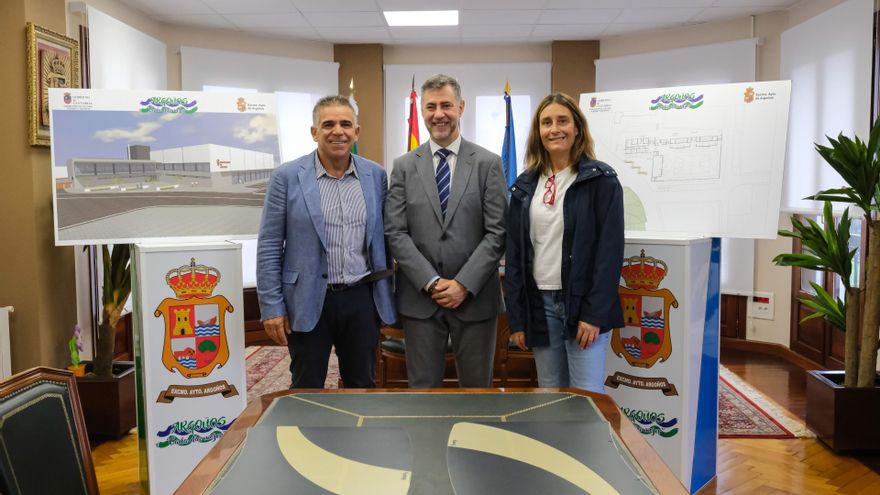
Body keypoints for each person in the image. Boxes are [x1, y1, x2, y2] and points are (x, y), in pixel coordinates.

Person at [256, 95, 395, 388]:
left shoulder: (375, 175)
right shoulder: (287, 177)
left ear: (356, 131)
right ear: (314, 132)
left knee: (362, 387)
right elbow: (269, 245)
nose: (338, 131)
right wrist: (272, 306)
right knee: (306, 387)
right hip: (306, 299)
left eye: (346, 124)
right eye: (328, 124)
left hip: (361, 298)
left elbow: (385, 238)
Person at [385, 74, 508, 388]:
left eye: (446, 105)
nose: (438, 114)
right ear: (422, 111)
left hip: (475, 300)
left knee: (477, 393)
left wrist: (463, 284)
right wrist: (432, 282)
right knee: (423, 393)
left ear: (461, 107)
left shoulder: (488, 164)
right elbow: (395, 232)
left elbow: (497, 233)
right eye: (431, 107)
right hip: (421, 300)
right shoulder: (403, 166)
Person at [504, 92, 624, 393]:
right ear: (538, 131)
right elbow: (515, 255)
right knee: (550, 394)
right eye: (546, 122)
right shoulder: (524, 185)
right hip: (539, 306)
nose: (554, 129)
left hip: (582, 305)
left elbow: (609, 254)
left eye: (562, 121)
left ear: (577, 128)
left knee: (586, 396)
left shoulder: (601, 180)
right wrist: (518, 320)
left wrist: (593, 315)